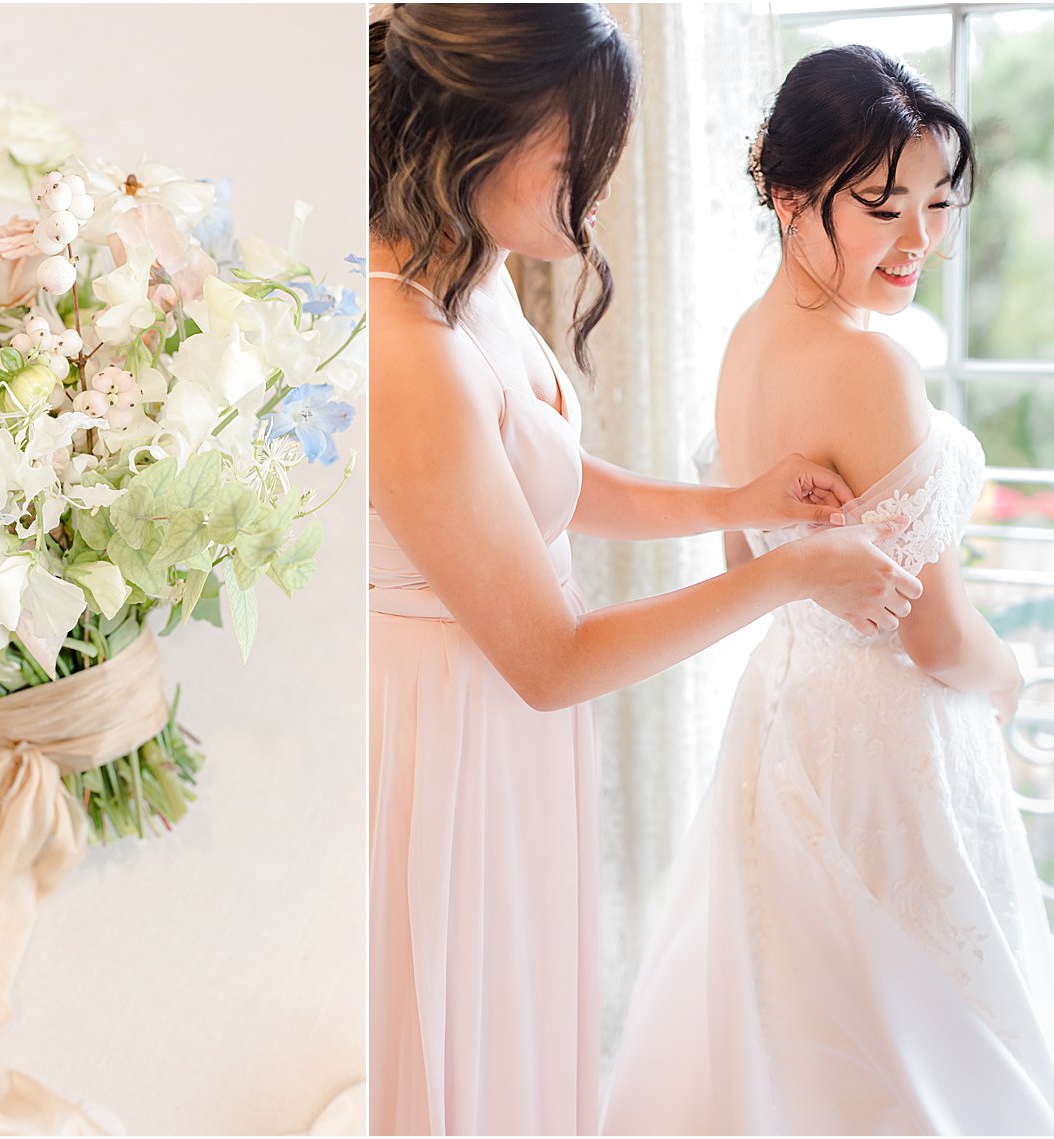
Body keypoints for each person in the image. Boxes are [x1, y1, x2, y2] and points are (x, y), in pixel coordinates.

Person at [368, 8, 924, 1134]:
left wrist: (738, 502)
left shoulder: (465, 281)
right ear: (474, 128)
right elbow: (552, 658)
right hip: (455, 716)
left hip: (503, 718)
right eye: (575, 156)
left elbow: (543, 478)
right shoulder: (398, 349)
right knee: (458, 1039)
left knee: (517, 1027)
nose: (598, 184)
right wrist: (788, 571)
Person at [601, 44, 1054, 1135]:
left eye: (931, 201)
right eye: (878, 205)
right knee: (917, 1046)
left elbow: (747, 574)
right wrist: (1008, 675)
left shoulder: (740, 344)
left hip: (780, 719)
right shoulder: (869, 366)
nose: (917, 238)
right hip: (888, 746)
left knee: (794, 1034)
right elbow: (934, 636)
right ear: (786, 196)